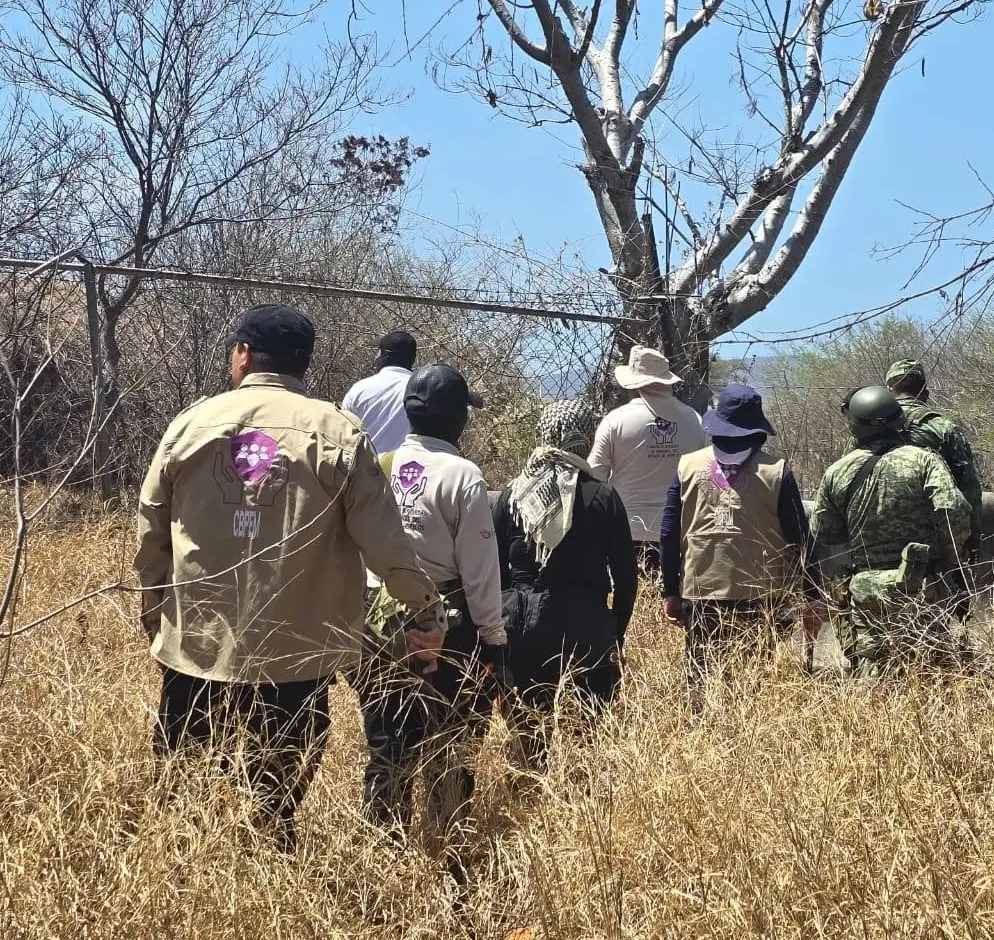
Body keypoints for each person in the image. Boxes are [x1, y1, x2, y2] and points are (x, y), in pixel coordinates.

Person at [135, 304, 444, 852]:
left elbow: (151, 529)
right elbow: (386, 545)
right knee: (273, 804)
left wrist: (153, 610)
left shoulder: (191, 424)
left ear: (244, 354)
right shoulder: (338, 433)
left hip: (197, 647)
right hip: (295, 660)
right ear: (305, 364)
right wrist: (426, 610)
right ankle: (269, 880)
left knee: (183, 797)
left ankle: (189, 886)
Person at [351, 364, 509, 847]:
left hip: (378, 624)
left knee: (387, 742)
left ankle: (384, 847)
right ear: (459, 420)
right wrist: (494, 640)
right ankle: (449, 841)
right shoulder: (463, 475)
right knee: (452, 739)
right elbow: (480, 570)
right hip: (447, 627)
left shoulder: (378, 465)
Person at [493, 399, 638, 770]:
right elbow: (625, 577)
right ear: (586, 440)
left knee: (527, 744)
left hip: (521, 629)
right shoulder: (603, 497)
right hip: (587, 629)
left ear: (543, 435)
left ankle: (525, 812)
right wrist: (614, 632)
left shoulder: (511, 496)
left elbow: (491, 571)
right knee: (585, 742)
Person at [659, 384, 821, 712]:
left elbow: (668, 533)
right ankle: (741, 735)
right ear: (757, 430)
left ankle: (697, 731)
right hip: (760, 594)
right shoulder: (777, 471)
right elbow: (800, 539)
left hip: (700, 590)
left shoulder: (686, 466)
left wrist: (670, 591)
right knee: (749, 678)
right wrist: (812, 595)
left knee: (700, 672)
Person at [811, 385, 971, 675]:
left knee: (871, 668)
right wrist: (950, 559)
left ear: (855, 427)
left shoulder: (837, 472)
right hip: (922, 584)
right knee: (929, 669)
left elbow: (824, 532)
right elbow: (954, 510)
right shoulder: (923, 460)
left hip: (865, 587)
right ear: (899, 421)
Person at [588, 346, 706, 571]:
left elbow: (595, 477)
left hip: (626, 530)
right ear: (667, 381)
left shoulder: (615, 421)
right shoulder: (694, 420)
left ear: (633, 383)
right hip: (679, 532)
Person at [883, 359, 983, 551]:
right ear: (926, 393)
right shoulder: (943, 428)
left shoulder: (866, 429)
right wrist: (973, 539)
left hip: (874, 544)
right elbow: (969, 488)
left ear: (888, 391)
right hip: (931, 546)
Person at [341, 330, 417, 453]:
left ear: (384, 355)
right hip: (410, 469)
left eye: (378, 351)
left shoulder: (360, 389)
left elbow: (343, 433)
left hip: (366, 467)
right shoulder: (422, 390)